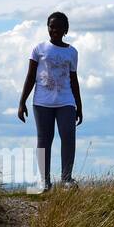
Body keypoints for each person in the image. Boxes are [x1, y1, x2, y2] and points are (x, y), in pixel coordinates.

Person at [17, 11, 83, 191]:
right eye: (51, 26)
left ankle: (66, 180)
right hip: (42, 102)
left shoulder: (72, 52)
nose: (54, 30)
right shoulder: (39, 49)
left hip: (66, 101)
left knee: (68, 138)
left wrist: (79, 105)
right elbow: (30, 77)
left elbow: (74, 80)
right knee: (44, 140)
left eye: (58, 27)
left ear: (65, 29)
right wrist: (22, 102)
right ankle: (44, 181)